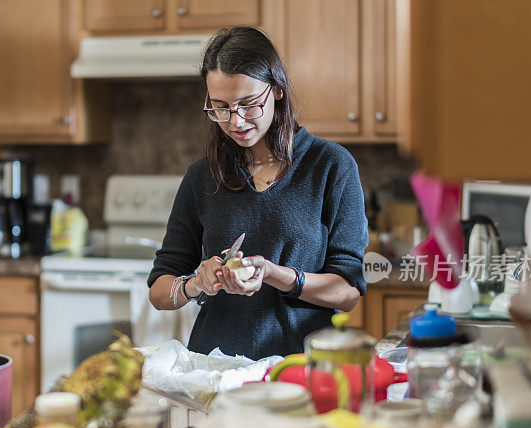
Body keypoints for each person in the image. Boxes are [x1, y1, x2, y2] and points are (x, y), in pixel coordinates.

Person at [147, 26, 368, 358]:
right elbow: (159, 290)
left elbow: (348, 291)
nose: (235, 121)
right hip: (215, 370)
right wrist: (197, 283)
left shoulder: (331, 166)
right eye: (220, 107)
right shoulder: (202, 176)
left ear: (276, 90)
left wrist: (274, 274)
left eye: (248, 104)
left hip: (299, 367)